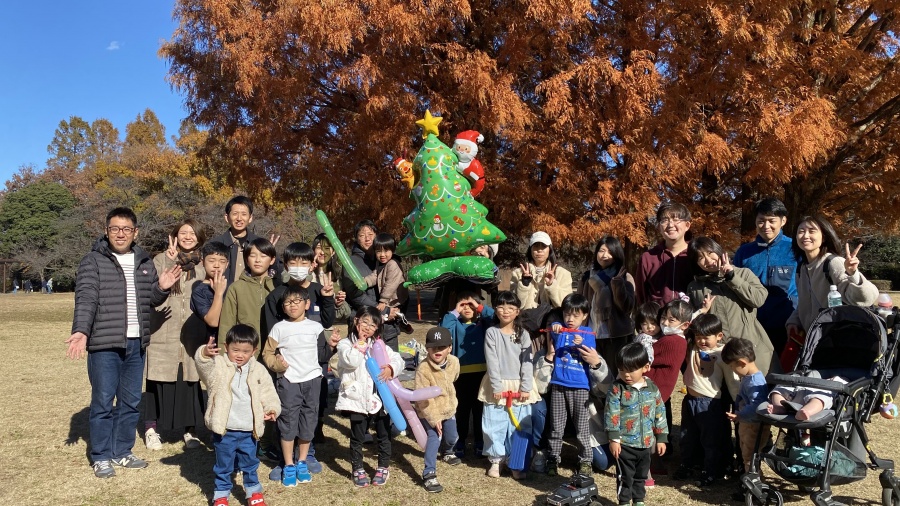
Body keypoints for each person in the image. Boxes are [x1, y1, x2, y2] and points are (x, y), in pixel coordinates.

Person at [65, 207, 182, 478]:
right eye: (115, 228)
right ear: (106, 231)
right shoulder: (93, 260)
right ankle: (101, 456)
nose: (121, 234)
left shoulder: (143, 260)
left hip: (136, 343)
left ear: (135, 232)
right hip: (104, 344)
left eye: (126, 229)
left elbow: (151, 299)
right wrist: (81, 330)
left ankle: (122, 451)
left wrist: (162, 287)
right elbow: (86, 297)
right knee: (103, 402)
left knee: (130, 402)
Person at [262, 242, 337, 477]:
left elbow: (327, 321)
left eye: (303, 262)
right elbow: (272, 334)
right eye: (293, 262)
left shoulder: (319, 290)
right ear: (285, 265)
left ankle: (307, 454)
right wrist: (277, 362)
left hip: (314, 364)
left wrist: (328, 298)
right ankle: (284, 459)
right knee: (287, 413)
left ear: (312, 264)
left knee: (310, 412)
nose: (298, 266)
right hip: (288, 370)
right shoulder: (277, 296)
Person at [195, 325, 281, 506]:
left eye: (246, 351)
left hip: (249, 430)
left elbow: (268, 392)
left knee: (250, 464)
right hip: (225, 429)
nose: (240, 355)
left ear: (254, 351)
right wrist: (204, 353)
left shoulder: (258, 369)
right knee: (223, 465)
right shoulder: (219, 365)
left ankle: (253, 493)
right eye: (235, 350)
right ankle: (221, 495)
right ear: (226, 347)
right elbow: (204, 368)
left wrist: (272, 408)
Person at [144, 219, 209, 451]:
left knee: (190, 382)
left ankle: (190, 430)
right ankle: (151, 429)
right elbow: (153, 289)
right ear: (175, 235)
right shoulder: (160, 259)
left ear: (200, 237)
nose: (188, 236)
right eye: (183, 232)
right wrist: (170, 261)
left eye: (193, 233)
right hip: (163, 331)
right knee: (156, 380)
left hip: (192, 335)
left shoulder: (203, 264)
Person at [783, 215, 879, 371]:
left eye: (812, 231)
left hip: (839, 345)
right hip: (814, 345)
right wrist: (793, 321)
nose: (805, 235)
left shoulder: (833, 263)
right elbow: (804, 303)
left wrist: (853, 274)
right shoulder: (802, 268)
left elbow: (866, 298)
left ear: (824, 236)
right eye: (801, 231)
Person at [687, 236, 778, 388]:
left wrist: (731, 277)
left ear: (718, 251)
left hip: (751, 347)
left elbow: (759, 299)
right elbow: (694, 323)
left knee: (759, 393)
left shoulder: (743, 274)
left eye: (710, 253)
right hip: (718, 355)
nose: (708, 260)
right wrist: (702, 311)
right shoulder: (695, 287)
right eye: (701, 258)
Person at [334, 306, 405, 487]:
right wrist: (359, 345)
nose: (367, 327)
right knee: (357, 436)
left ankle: (383, 466)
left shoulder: (379, 346)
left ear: (377, 329)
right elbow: (351, 361)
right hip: (357, 399)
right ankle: (357, 468)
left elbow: (398, 359)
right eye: (364, 322)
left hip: (380, 398)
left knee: (383, 434)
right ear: (356, 321)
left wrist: (391, 369)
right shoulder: (345, 344)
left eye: (373, 325)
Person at [478, 290, 540, 479]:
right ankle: (496, 460)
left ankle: (516, 461)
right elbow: (492, 361)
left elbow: (527, 362)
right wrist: (497, 387)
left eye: (511, 307)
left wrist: (525, 387)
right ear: (495, 310)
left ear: (517, 311)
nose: (505, 311)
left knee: (519, 424)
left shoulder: (523, 334)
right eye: (501, 307)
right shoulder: (492, 333)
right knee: (494, 423)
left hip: (519, 384)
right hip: (497, 383)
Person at [732, 198, 799, 357]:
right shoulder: (744, 252)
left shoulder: (795, 249)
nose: (766, 226)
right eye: (761, 221)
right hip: (753, 326)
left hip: (788, 324)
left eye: (771, 221)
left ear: (783, 221)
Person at [606, 343, 668, 506]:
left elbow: (660, 411)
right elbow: (611, 413)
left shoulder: (652, 388)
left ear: (645, 367)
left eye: (631, 370)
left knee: (641, 475)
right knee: (625, 476)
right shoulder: (617, 388)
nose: (626, 374)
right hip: (624, 444)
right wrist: (614, 439)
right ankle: (624, 501)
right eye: (621, 370)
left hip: (646, 443)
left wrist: (661, 437)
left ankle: (639, 500)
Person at [673, 314, 732, 487]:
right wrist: (702, 310)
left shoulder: (723, 354)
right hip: (690, 401)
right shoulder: (692, 348)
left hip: (710, 404)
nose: (702, 341)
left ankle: (711, 470)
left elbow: (731, 381)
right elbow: (684, 328)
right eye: (698, 337)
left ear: (719, 336)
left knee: (710, 440)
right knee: (687, 436)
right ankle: (687, 465)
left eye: (706, 338)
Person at [546, 293, 597, 477]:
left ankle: (585, 460)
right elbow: (552, 330)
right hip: (558, 384)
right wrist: (555, 326)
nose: (570, 319)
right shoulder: (559, 330)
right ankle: (553, 458)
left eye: (576, 315)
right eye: (567, 314)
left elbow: (590, 352)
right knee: (556, 425)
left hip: (580, 386)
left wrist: (581, 343)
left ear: (585, 315)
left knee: (582, 426)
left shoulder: (587, 333)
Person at [440, 290, 495, 458]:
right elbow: (443, 329)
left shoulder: (484, 324)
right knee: (462, 410)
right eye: (463, 305)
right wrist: (454, 312)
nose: (467, 308)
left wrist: (480, 307)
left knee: (479, 411)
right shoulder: (455, 324)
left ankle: (480, 441)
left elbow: (495, 318)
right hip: (460, 375)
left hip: (481, 374)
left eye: (471, 305)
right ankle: (460, 441)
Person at [577, 235, 636, 375]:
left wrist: (617, 284)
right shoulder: (587, 277)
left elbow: (627, 307)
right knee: (592, 374)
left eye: (610, 252)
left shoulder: (624, 276)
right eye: (601, 251)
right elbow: (579, 303)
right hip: (590, 333)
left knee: (613, 374)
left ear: (617, 254)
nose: (605, 255)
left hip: (615, 336)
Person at [415, 326, 463, 493]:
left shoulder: (454, 362)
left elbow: (453, 379)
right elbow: (423, 398)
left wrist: (449, 404)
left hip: (448, 408)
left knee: (452, 437)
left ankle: (448, 451)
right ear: (427, 348)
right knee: (434, 437)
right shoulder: (423, 369)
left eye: (441, 347)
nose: (437, 351)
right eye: (433, 347)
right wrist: (434, 419)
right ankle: (429, 473)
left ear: (449, 348)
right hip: (428, 410)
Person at [722, 337, 771, 473]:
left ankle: (752, 479)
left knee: (750, 455)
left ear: (742, 363)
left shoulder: (755, 382)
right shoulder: (748, 378)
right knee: (746, 452)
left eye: (732, 366)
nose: (732, 370)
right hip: (747, 423)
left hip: (753, 425)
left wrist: (740, 415)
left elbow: (757, 405)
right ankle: (749, 477)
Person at [210, 195, 281, 288]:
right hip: (222, 295)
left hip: (253, 295)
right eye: (235, 214)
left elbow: (277, 273)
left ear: (250, 218)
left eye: (244, 214)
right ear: (227, 218)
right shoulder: (216, 244)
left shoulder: (259, 244)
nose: (239, 218)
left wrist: (268, 253)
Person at [217, 237, 277, 344]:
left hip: (273, 349)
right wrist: (223, 352)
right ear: (246, 260)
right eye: (253, 256)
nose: (258, 260)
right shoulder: (236, 288)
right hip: (244, 348)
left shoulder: (277, 286)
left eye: (263, 256)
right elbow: (226, 324)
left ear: (272, 260)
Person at [636, 202, 693, 305]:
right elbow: (641, 296)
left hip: (691, 314)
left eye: (676, 219)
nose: (670, 225)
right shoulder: (648, 258)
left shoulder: (696, 255)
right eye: (665, 220)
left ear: (687, 225)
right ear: (659, 227)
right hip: (658, 314)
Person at [510, 231, 573, 310]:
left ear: (549, 249)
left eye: (543, 246)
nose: (539, 250)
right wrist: (524, 284)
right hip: (527, 316)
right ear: (530, 249)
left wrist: (551, 285)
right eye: (536, 246)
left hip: (553, 317)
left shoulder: (562, 273)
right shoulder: (518, 273)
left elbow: (566, 305)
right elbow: (514, 305)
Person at [371, 232, 413, 342]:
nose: (382, 255)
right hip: (391, 299)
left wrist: (383, 300)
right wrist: (364, 281)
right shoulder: (379, 264)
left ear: (393, 251)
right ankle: (401, 323)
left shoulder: (393, 264)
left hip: (398, 298)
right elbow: (374, 276)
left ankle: (402, 323)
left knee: (394, 315)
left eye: (386, 251)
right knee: (390, 316)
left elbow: (391, 284)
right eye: (378, 251)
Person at [766, 370, 846, 420]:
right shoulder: (814, 373)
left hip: (821, 393)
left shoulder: (840, 380)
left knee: (820, 399)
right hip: (802, 387)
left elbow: (842, 388)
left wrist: (834, 380)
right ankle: (780, 406)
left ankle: (806, 411)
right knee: (780, 388)